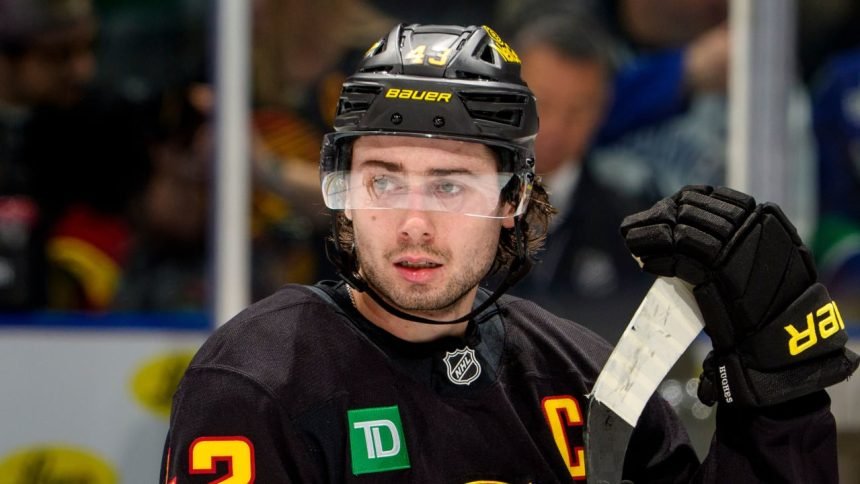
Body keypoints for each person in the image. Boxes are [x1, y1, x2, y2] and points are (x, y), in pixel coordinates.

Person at [161, 24, 858, 482]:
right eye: (383, 181)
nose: (413, 223)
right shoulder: (256, 382)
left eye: (450, 185)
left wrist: (777, 402)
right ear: (342, 192)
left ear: (514, 199)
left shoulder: (583, 380)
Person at [509, 13, 652, 342]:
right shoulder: (456, 206)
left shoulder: (633, 233)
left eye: (578, 110)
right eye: (543, 104)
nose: (556, 127)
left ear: (602, 110)